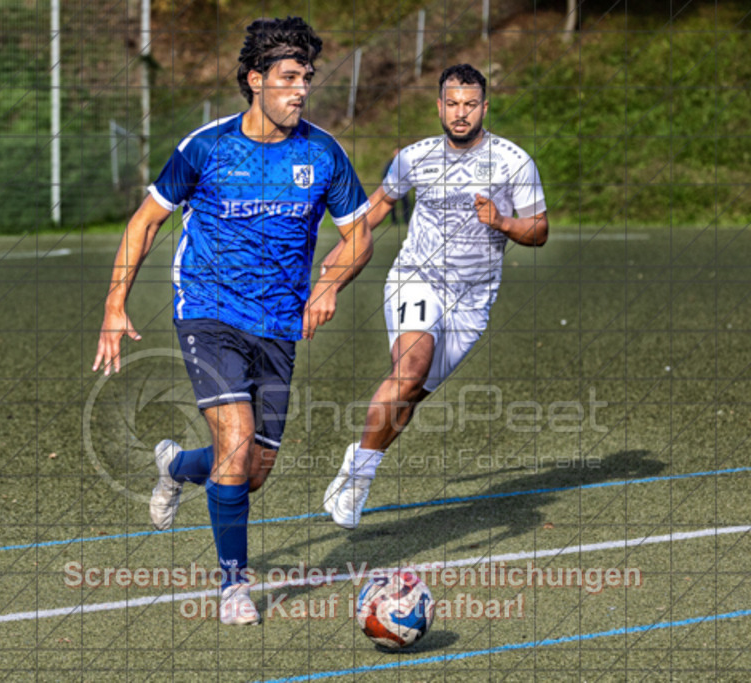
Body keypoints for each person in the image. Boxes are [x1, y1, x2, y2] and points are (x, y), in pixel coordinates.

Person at [92, 16, 371, 626]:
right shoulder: (207, 147)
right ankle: (234, 587)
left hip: (278, 325)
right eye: (289, 78)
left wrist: (327, 285)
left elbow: (359, 238)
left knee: (251, 472)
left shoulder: (323, 153)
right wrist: (115, 305)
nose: (301, 90)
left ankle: (174, 466)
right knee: (237, 443)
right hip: (209, 311)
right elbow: (145, 222)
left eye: (306, 79)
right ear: (255, 81)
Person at [321, 64, 549, 529]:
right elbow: (380, 204)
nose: (460, 113)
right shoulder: (414, 157)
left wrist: (504, 223)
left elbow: (539, 230)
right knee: (410, 369)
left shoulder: (514, 162)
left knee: (409, 397)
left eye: (470, 104)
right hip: (417, 277)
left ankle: (358, 461)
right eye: (452, 103)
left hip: (473, 298)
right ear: (439, 107)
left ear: (484, 107)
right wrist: (343, 251)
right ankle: (360, 479)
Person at [381, 148, 412, 225]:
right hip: (393, 187)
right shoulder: (390, 164)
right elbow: (384, 174)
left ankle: (406, 220)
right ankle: (394, 221)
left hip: (403, 187)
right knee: (391, 205)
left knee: (406, 204)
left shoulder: (404, 164)